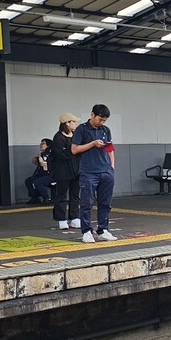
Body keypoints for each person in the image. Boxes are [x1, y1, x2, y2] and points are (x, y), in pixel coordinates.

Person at [73, 104, 116, 243]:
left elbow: (110, 149)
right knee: (87, 203)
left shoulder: (106, 130)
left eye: (104, 120)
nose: (102, 122)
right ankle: (86, 231)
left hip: (106, 171)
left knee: (105, 203)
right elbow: (74, 149)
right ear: (92, 115)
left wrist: (112, 167)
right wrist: (92, 144)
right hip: (88, 171)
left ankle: (103, 230)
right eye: (100, 119)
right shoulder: (82, 129)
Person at [51, 113, 81, 230]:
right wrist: (73, 152)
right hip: (62, 170)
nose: (76, 124)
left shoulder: (75, 136)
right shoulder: (58, 137)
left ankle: (74, 217)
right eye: (74, 122)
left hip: (75, 169)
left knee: (75, 194)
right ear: (67, 123)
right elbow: (59, 154)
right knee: (61, 195)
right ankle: (61, 219)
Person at [25, 138, 54, 204]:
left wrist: (42, 161)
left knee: (38, 182)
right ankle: (35, 198)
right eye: (41, 143)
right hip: (42, 175)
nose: (41, 145)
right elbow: (35, 162)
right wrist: (36, 158)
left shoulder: (51, 154)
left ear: (48, 145)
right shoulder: (43, 154)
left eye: (43, 143)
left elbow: (46, 166)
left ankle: (46, 198)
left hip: (51, 175)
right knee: (29, 181)